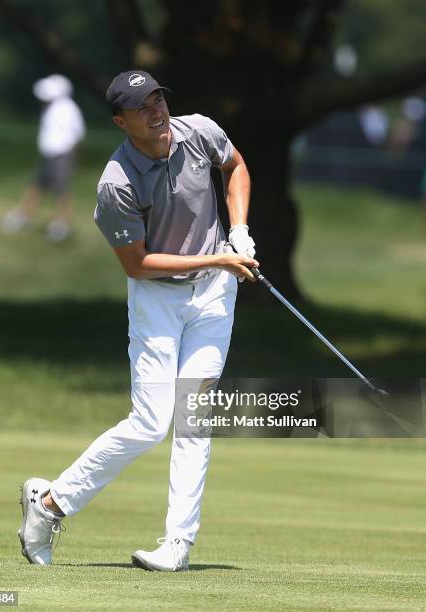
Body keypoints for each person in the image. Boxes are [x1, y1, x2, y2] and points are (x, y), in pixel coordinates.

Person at [18, 70, 258, 571]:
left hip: (215, 295)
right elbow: (137, 263)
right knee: (152, 423)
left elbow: (235, 166)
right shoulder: (115, 184)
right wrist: (217, 259)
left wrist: (238, 232)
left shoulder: (199, 132)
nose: (157, 111)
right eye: (142, 106)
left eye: (158, 99)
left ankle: (178, 545)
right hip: (157, 299)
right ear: (120, 120)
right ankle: (50, 505)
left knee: (195, 417)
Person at [2, 74, 85, 242]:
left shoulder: (68, 109)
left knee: (61, 190)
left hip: (62, 155)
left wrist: (71, 156)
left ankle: (62, 224)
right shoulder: (51, 107)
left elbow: (77, 134)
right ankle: (22, 216)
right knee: (36, 185)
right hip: (49, 155)